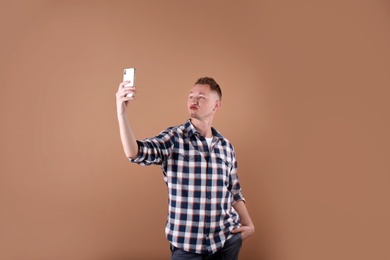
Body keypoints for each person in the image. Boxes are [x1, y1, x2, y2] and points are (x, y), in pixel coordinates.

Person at [116, 76, 255, 260]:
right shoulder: (174, 138)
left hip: (225, 243)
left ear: (216, 105)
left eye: (201, 97)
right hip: (187, 248)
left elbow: (234, 190)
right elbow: (135, 152)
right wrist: (122, 114)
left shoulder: (226, 147)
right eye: (191, 96)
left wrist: (249, 225)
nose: (194, 100)